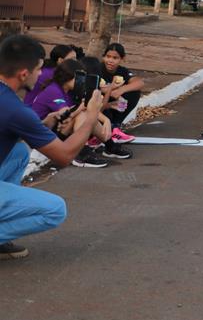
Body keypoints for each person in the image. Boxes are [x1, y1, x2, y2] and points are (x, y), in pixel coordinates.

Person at [0, 34, 106, 260]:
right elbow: (64, 156)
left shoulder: (9, 103)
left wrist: (44, 123)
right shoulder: (15, 109)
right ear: (24, 74)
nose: (41, 74)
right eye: (39, 69)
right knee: (55, 209)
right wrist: (91, 117)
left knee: (19, 152)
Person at [30, 59, 112, 168]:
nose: (82, 81)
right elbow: (65, 114)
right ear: (67, 77)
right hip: (43, 136)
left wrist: (106, 120)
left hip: (56, 132)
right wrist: (81, 108)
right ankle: (81, 155)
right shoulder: (53, 90)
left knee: (85, 114)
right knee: (81, 115)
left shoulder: (69, 91)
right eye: (79, 78)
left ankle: (111, 146)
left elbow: (85, 109)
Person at [97, 43, 144, 157]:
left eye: (115, 58)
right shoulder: (98, 69)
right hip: (100, 106)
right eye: (108, 57)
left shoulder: (122, 71)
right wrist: (110, 91)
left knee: (134, 92)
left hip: (113, 105)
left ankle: (116, 126)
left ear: (122, 59)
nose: (110, 61)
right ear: (103, 57)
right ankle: (107, 130)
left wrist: (121, 90)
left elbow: (139, 82)